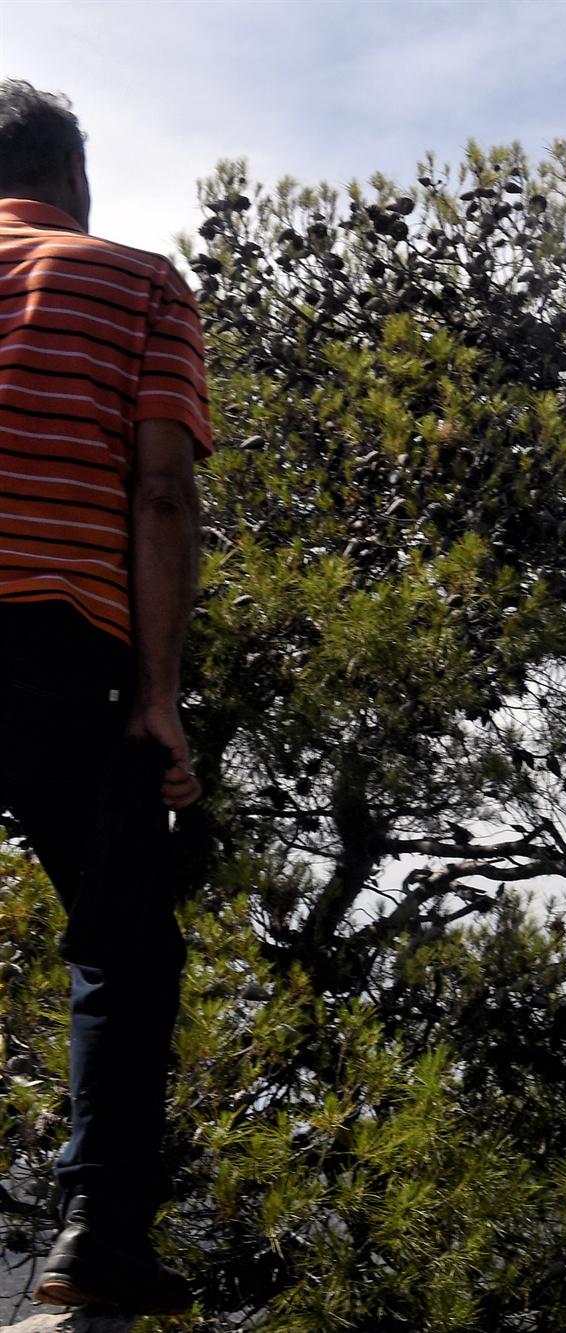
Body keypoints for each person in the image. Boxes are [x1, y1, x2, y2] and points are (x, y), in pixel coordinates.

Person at [0, 81, 210, 1315]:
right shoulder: (135, 282)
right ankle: (95, 1244)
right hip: (56, 643)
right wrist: (160, 696)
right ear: (75, 179)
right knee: (123, 941)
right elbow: (163, 497)